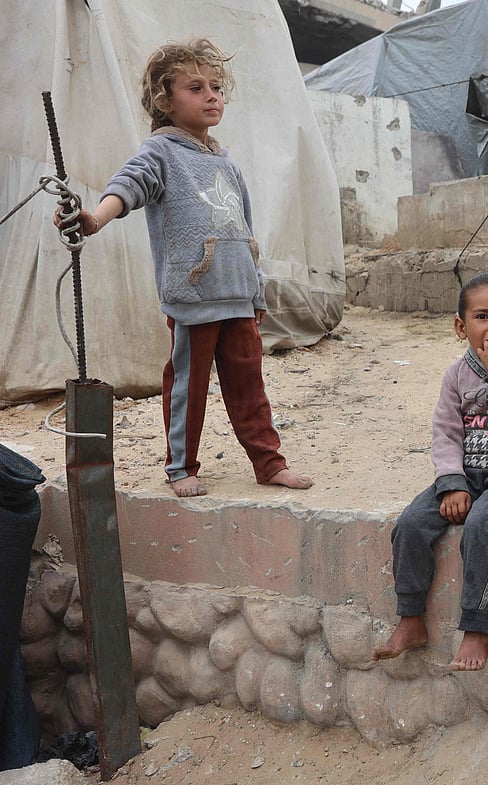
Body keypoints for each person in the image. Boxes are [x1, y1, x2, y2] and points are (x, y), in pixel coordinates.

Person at [54, 38, 311, 498]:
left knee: (250, 388)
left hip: (237, 294)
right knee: (188, 389)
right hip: (194, 298)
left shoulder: (227, 164)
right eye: (196, 87)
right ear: (164, 101)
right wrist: (94, 218)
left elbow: (247, 233)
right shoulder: (161, 154)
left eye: (216, 87)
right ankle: (180, 467)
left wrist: (257, 295)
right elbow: (129, 186)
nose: (212, 95)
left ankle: (269, 463)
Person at [373, 272, 488, 671]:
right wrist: (452, 484)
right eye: (481, 317)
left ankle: (476, 628)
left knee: (482, 525)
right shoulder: (457, 373)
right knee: (410, 524)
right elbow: (446, 434)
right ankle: (411, 618)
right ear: (461, 327)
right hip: (469, 473)